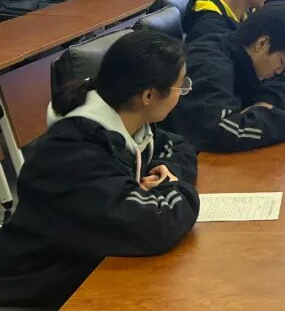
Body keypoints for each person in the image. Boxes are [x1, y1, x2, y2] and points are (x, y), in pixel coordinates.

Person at [0, 30, 198, 308]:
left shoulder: (131, 126)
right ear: (149, 95)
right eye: (181, 86)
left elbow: (179, 147)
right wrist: (175, 186)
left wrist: (161, 169)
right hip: (34, 294)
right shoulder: (72, 156)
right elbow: (157, 224)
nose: (183, 93)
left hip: (82, 273)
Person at [164, 2, 285, 152]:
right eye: (281, 61)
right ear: (262, 43)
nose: (280, 70)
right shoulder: (211, 64)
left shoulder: (242, 56)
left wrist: (262, 104)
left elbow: (283, 82)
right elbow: (220, 131)